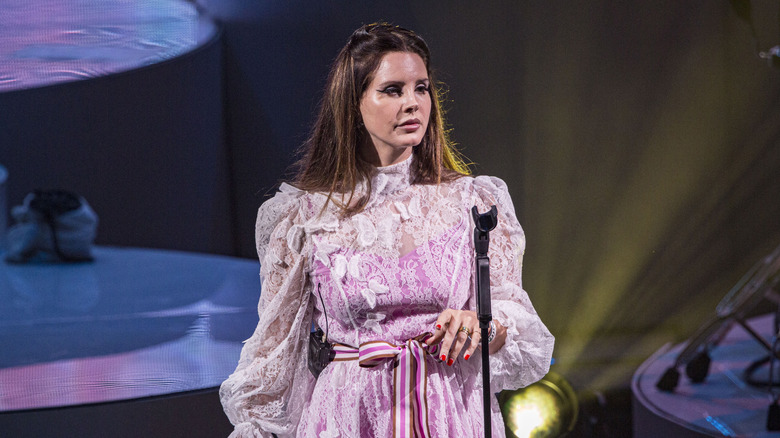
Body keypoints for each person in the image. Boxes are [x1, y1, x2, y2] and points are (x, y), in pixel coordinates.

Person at [220, 22, 554, 438]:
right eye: (393, 90)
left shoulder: (474, 202)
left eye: (421, 88)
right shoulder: (303, 217)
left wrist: (484, 324)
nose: (413, 103)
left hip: (449, 412)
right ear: (353, 105)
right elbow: (273, 355)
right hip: (349, 416)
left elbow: (517, 319)